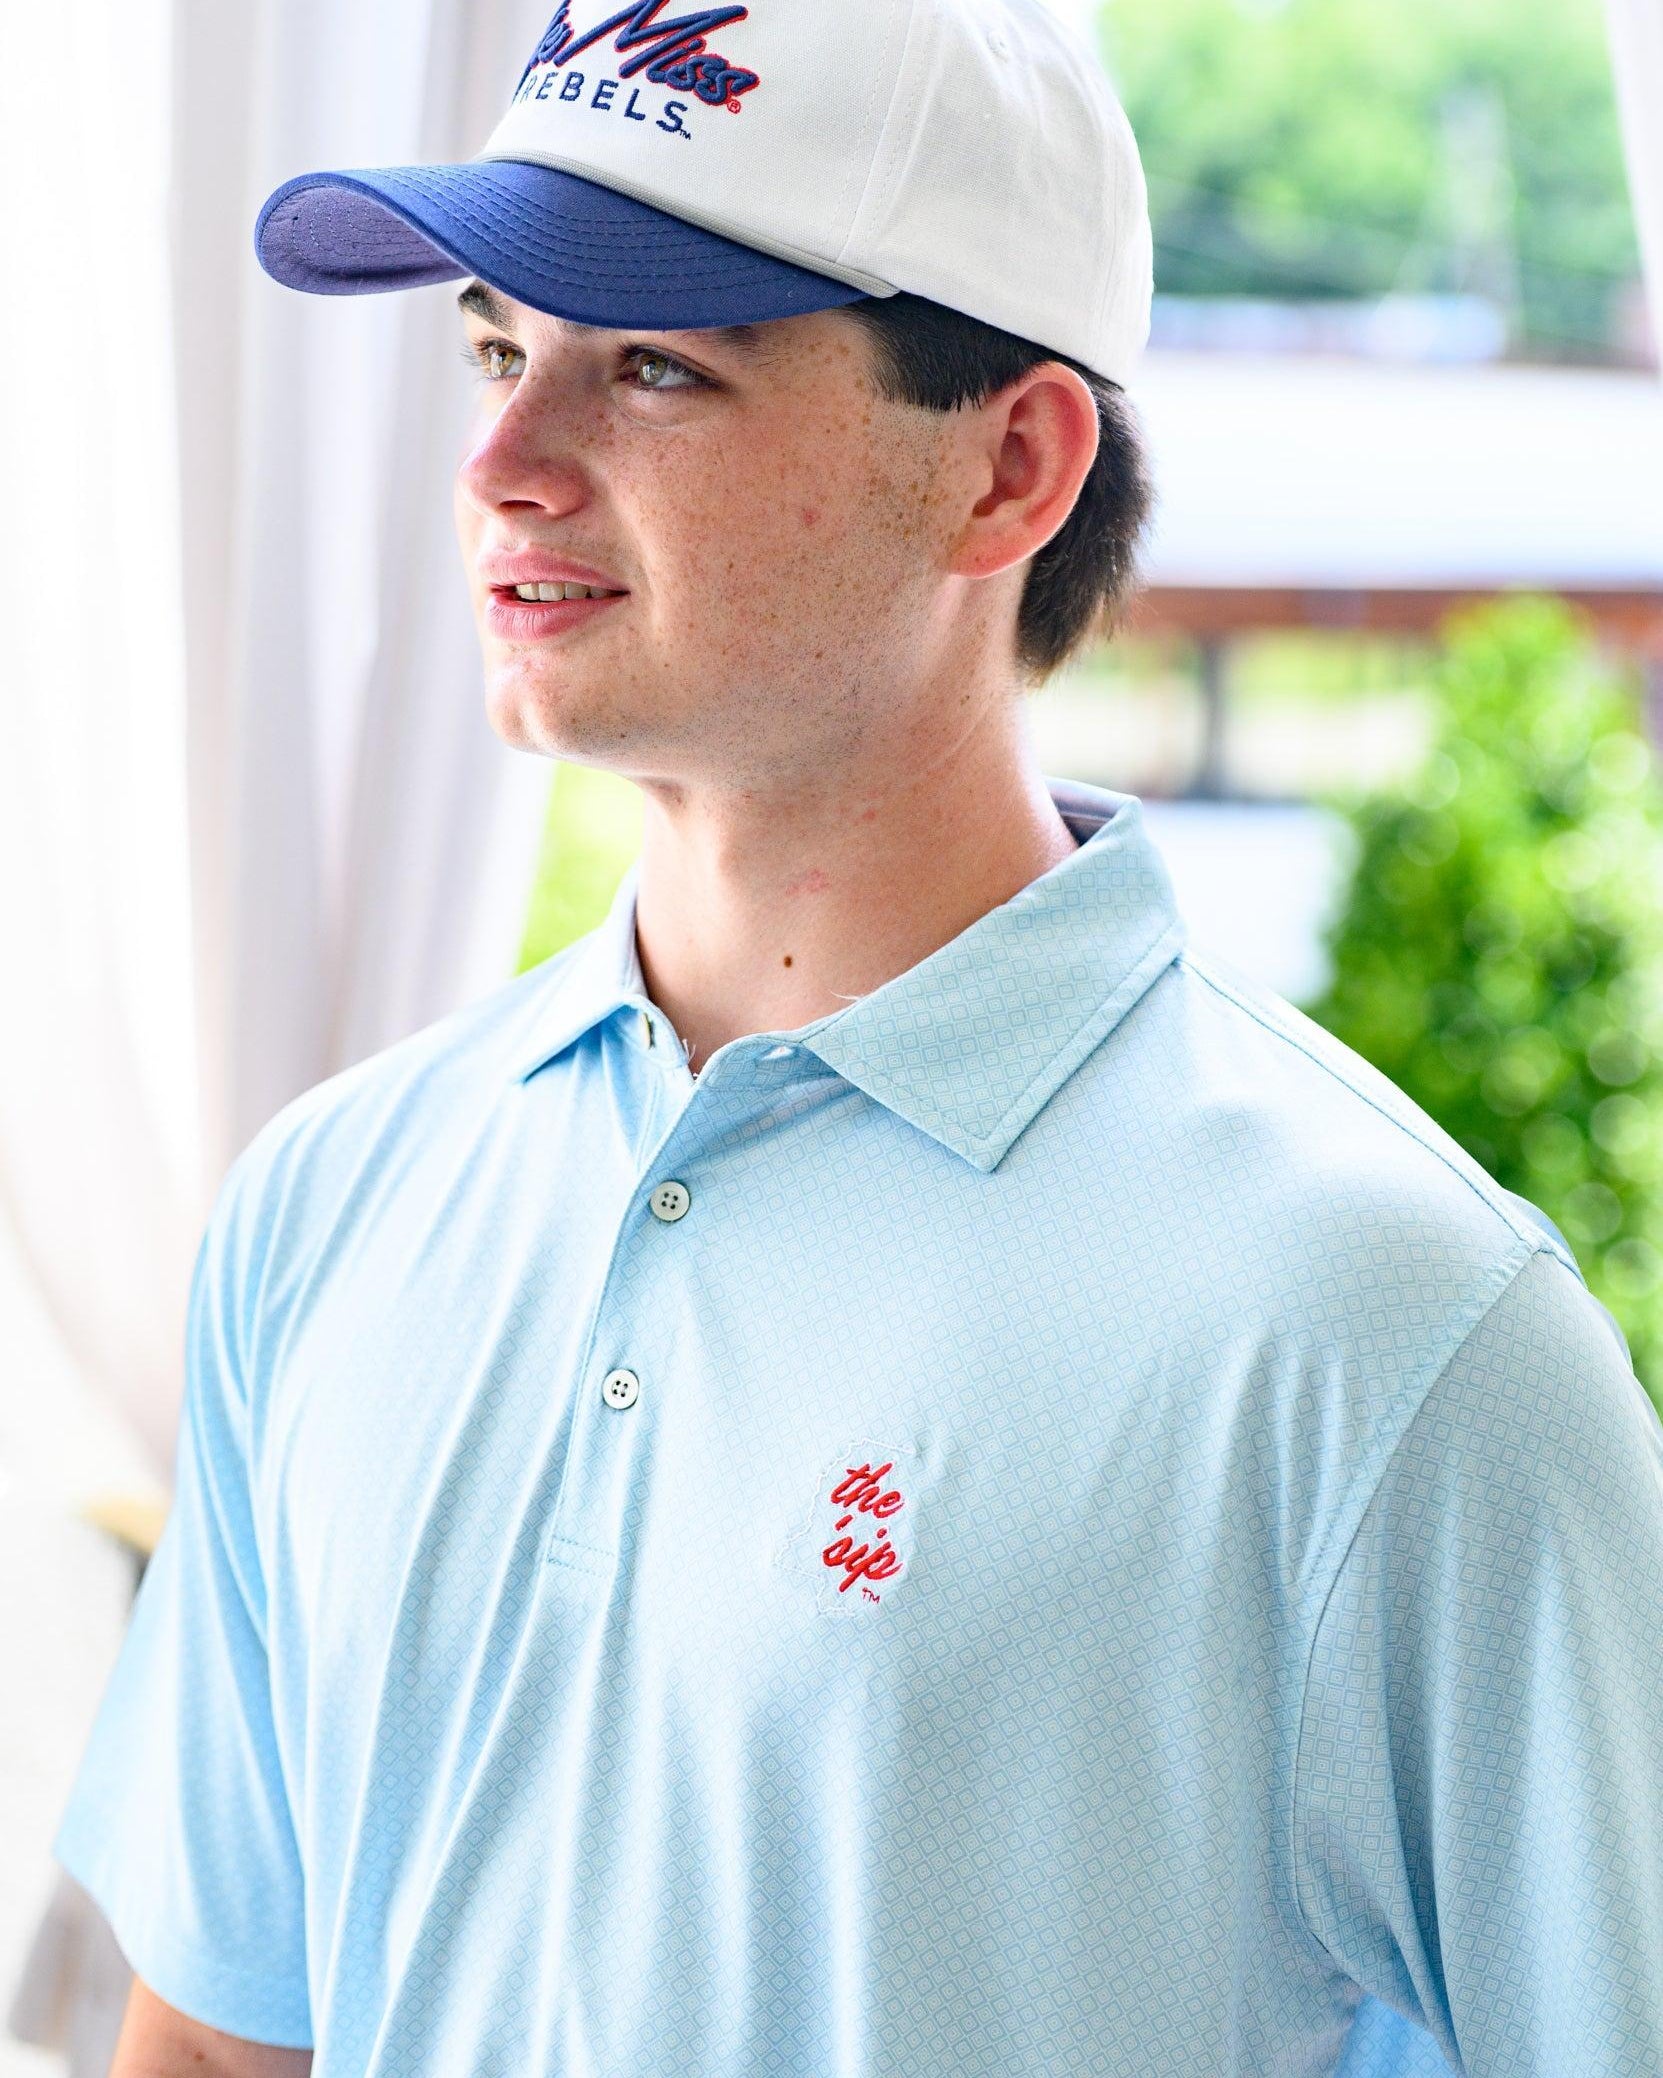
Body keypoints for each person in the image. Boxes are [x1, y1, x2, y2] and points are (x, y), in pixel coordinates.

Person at [49, 3, 1663, 2074]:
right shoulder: (332, 1205)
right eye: (489, 345)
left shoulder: (1399, 1343)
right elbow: (215, 2037)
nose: (500, 459)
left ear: (1008, 466)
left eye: (651, 364)